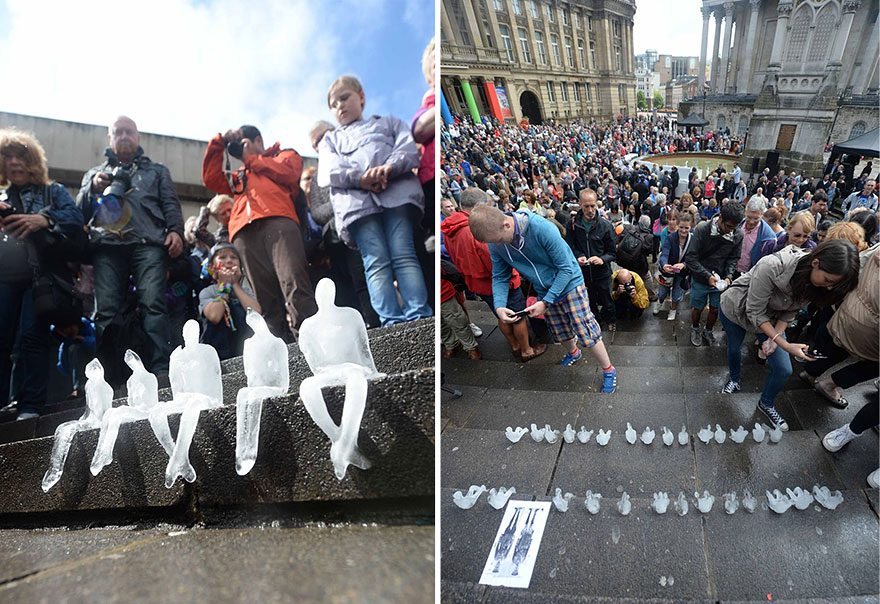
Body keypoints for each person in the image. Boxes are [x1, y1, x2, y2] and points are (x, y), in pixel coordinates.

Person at [317, 75, 432, 326]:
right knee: (375, 261)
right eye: (334, 104)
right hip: (359, 208)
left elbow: (407, 149)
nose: (340, 106)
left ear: (361, 96)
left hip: (396, 197)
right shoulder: (330, 140)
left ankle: (418, 313)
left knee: (403, 255)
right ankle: (390, 319)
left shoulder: (390, 123)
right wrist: (361, 179)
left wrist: (387, 169)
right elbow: (328, 171)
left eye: (344, 98)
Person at [468, 204, 618, 392]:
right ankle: (574, 352)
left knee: (586, 329)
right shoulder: (495, 242)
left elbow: (566, 269)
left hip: (570, 283)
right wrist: (499, 306)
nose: (496, 245)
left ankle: (608, 369)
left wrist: (546, 301)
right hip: (543, 289)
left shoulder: (541, 228)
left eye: (497, 240)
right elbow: (500, 275)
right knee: (559, 330)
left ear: (506, 225)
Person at [77, 116, 184, 376]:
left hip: (149, 242)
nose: (124, 135)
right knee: (105, 312)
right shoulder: (94, 173)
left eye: (129, 131)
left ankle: (162, 369)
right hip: (107, 245)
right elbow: (78, 211)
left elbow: (170, 203)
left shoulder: (157, 170)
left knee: (153, 305)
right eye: (118, 132)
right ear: (110, 138)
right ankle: (108, 375)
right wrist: (93, 188)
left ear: (137, 137)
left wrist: (176, 231)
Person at [718, 241, 860, 431]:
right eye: (827, 280)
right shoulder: (771, 265)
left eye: (833, 285)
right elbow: (755, 311)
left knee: (784, 369)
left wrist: (775, 337)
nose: (828, 288)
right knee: (734, 349)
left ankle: (766, 403)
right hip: (736, 310)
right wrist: (783, 342)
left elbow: (790, 312)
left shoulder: (815, 282)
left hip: (771, 319)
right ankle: (735, 380)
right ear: (816, 262)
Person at [202, 122, 317, 341]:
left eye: (243, 143)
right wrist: (220, 143)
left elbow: (289, 172)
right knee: (263, 297)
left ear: (258, 141)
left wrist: (250, 159)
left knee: (293, 282)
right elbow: (211, 179)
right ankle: (278, 349)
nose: (240, 149)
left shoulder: (283, 155)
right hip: (243, 233)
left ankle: (310, 342)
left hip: (279, 221)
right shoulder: (240, 175)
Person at [1, 128, 85, 419]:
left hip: (41, 277)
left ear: (33, 160)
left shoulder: (53, 191)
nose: (13, 162)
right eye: (7, 156)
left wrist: (44, 219)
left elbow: (76, 217)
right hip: (4, 277)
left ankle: (30, 406)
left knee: (31, 338)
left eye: (20, 156)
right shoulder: (1, 195)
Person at [440, 187, 546, 362]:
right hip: (498, 282)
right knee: (518, 317)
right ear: (478, 208)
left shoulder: (450, 227)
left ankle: (514, 345)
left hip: (475, 283)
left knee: (501, 315)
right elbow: (495, 264)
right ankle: (526, 350)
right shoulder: (476, 230)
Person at [800, 247, 877, 408]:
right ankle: (829, 385)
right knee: (874, 365)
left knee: (838, 344)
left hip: (851, 308)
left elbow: (859, 262)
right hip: (874, 329)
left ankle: (810, 372)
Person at [684, 202, 745, 347]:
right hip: (700, 278)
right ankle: (695, 328)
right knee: (697, 308)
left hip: (721, 280)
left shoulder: (738, 234)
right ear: (721, 217)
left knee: (715, 308)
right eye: (729, 226)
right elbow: (691, 258)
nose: (732, 231)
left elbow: (733, 258)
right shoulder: (702, 229)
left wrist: (729, 276)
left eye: (735, 227)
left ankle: (708, 330)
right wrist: (707, 276)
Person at [198, 242, 261, 361]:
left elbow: (256, 313)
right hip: (218, 353)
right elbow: (214, 316)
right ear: (212, 268)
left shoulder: (246, 291)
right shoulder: (207, 292)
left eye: (233, 257)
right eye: (222, 257)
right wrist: (226, 285)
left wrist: (235, 284)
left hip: (245, 350)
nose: (229, 261)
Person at [566, 189, 618, 330]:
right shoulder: (572, 225)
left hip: (602, 273)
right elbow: (570, 247)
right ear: (580, 205)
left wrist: (602, 259)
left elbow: (613, 252)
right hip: (583, 273)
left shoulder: (605, 226)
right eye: (586, 206)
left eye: (593, 206)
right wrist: (578, 256)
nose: (590, 210)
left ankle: (611, 321)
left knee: (607, 300)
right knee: (589, 300)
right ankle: (596, 322)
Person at [439, 260, 481, 360]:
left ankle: (471, 347)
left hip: (443, 292)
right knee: (440, 324)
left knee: (457, 320)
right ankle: (451, 344)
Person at [654, 212, 693, 321]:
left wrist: (684, 265)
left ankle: (673, 310)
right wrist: (665, 264)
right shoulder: (671, 238)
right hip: (668, 271)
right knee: (662, 293)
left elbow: (693, 257)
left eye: (686, 228)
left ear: (691, 227)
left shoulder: (692, 239)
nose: (683, 230)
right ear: (677, 225)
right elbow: (664, 253)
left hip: (682, 272)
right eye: (681, 227)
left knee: (677, 294)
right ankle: (659, 303)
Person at [735, 198, 777, 277]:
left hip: (750, 276)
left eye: (756, 218)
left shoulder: (768, 238)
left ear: (762, 215)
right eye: (749, 217)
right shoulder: (737, 225)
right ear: (745, 212)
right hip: (731, 270)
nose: (751, 222)